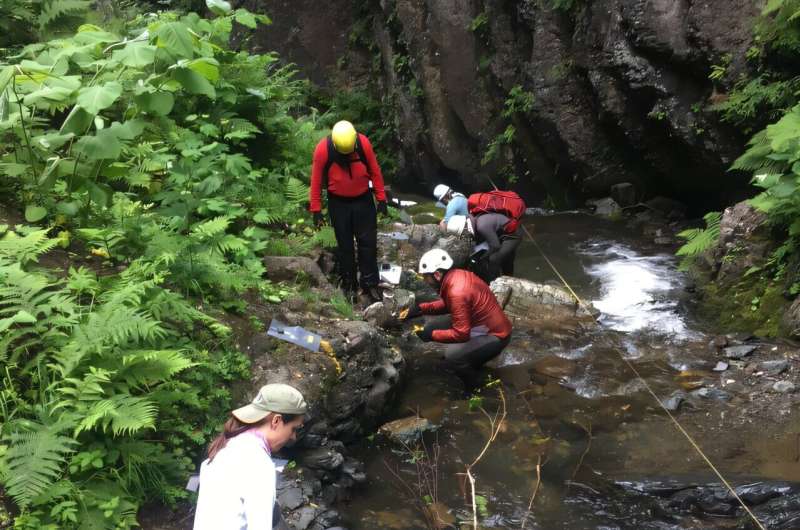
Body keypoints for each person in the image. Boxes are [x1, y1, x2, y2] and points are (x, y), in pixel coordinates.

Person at [193, 383, 308, 530]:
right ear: (276, 420)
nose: (293, 437)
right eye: (293, 429)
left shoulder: (227, 446)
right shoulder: (258, 464)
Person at [309, 120, 388, 303]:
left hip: (363, 200)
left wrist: (381, 198)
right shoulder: (323, 150)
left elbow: (375, 171)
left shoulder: (362, 143)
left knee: (367, 243)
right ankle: (349, 284)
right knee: (345, 246)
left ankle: (369, 283)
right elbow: (316, 181)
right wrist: (316, 210)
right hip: (338, 203)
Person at [408, 249, 512, 379]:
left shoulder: (457, 291)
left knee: (453, 356)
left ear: (437, 275)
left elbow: (461, 334)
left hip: (496, 335)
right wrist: (420, 309)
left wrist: (432, 335)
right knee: (430, 327)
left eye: (426, 277)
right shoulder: (457, 275)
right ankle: (470, 359)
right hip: (480, 324)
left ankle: (476, 386)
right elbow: (449, 304)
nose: (425, 281)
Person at [446, 213, 521, 282]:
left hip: (512, 236)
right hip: (501, 234)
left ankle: (493, 283)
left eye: (462, 234)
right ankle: (508, 276)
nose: (463, 237)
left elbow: (495, 246)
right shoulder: (474, 222)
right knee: (505, 258)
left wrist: (483, 257)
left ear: (464, 228)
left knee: (494, 258)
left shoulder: (482, 226)